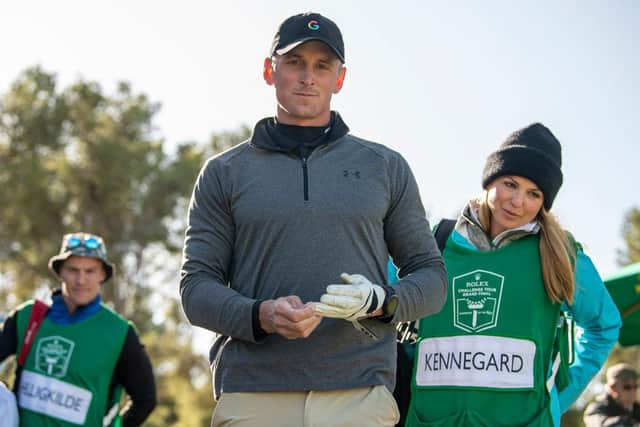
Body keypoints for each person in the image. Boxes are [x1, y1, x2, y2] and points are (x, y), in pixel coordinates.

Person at [179, 11, 447, 427]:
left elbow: (431, 278)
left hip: (359, 393)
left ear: (339, 78)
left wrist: (380, 301)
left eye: (323, 66)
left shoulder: (385, 166)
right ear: (270, 71)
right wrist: (261, 314)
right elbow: (196, 288)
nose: (308, 77)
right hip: (254, 393)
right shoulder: (223, 172)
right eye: (294, 62)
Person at [404, 123, 622, 427]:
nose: (518, 201)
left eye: (533, 193)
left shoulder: (559, 253)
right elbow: (393, 309)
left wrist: (557, 398)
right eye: (510, 183)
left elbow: (603, 326)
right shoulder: (438, 241)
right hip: (430, 420)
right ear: (490, 180)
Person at [0, 232, 157, 426]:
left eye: (90, 271)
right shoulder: (28, 317)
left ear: (102, 274)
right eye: (73, 270)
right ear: (60, 272)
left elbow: (145, 399)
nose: (81, 280)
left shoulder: (119, 333)